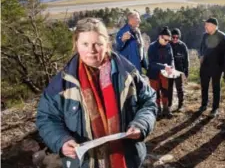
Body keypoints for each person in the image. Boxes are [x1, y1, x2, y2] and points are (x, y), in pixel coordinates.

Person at [36, 18, 157, 168]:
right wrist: (62, 140)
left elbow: (148, 101)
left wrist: (141, 123)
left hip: (127, 159)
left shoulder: (128, 74)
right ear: (76, 45)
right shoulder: (62, 84)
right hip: (84, 162)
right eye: (85, 44)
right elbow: (46, 118)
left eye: (98, 44)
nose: (91, 50)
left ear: (107, 44)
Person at [199, 17, 225, 117]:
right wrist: (201, 56)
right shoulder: (204, 36)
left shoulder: (222, 37)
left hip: (217, 67)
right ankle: (204, 105)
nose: (205, 26)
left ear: (213, 26)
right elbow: (201, 48)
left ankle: (215, 109)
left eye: (207, 25)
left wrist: (223, 68)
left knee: (216, 87)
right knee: (204, 86)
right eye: (205, 24)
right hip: (205, 66)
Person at [147, 26, 175, 119]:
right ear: (160, 37)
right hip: (154, 73)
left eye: (168, 40)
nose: (167, 42)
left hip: (165, 73)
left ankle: (166, 109)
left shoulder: (168, 46)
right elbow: (151, 63)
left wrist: (172, 65)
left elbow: (171, 58)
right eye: (165, 40)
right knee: (156, 92)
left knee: (165, 91)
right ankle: (157, 109)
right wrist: (164, 66)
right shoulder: (152, 47)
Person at [168, 28, 189, 112]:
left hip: (179, 70)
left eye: (177, 37)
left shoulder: (182, 46)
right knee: (169, 88)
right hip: (169, 70)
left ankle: (180, 105)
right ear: (171, 37)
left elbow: (186, 59)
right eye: (173, 37)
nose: (175, 39)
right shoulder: (168, 44)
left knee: (179, 88)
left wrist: (186, 71)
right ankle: (169, 104)